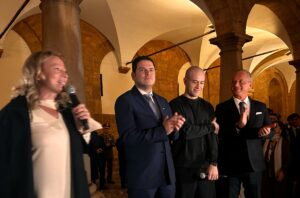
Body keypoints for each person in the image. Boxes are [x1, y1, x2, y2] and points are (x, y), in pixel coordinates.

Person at [0, 50, 102, 198]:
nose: (64, 74)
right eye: (57, 69)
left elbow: (85, 151)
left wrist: (81, 128)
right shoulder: (15, 114)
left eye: (65, 71)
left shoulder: (67, 113)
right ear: (38, 73)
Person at [114, 56, 185, 198]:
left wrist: (175, 127)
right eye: (142, 70)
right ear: (133, 75)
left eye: (151, 70)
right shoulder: (125, 101)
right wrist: (163, 130)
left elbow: (171, 135)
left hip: (166, 175)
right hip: (143, 176)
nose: (148, 73)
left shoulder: (163, 101)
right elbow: (128, 138)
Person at [215, 69, 274, 198]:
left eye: (241, 82)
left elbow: (271, 131)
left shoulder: (260, 107)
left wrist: (266, 132)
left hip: (254, 164)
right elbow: (221, 134)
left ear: (250, 85)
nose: (236, 85)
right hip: (231, 164)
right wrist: (238, 126)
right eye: (234, 82)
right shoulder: (221, 108)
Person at [169, 66, 219, 198]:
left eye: (202, 82)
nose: (198, 86)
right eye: (194, 81)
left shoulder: (207, 106)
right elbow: (187, 132)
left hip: (205, 166)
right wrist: (211, 127)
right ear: (185, 81)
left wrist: (214, 163)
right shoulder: (175, 104)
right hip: (184, 167)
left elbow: (212, 138)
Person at [262, 113, 290, 198]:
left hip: (278, 172)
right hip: (266, 174)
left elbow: (288, 159)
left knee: (278, 193)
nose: (273, 128)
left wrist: (283, 171)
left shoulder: (284, 143)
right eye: (272, 127)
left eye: (276, 127)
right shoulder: (266, 141)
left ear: (281, 130)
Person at [286, 113, 300, 198]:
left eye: (296, 119)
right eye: (292, 120)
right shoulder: (287, 131)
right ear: (289, 122)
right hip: (291, 159)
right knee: (290, 181)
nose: (294, 121)